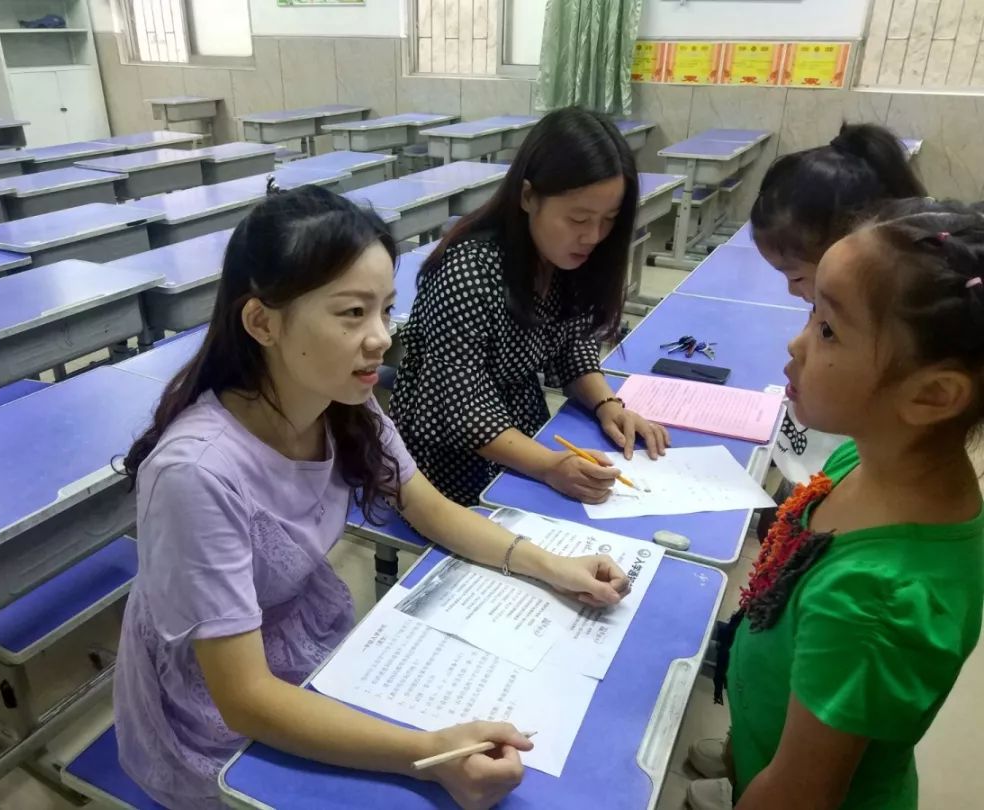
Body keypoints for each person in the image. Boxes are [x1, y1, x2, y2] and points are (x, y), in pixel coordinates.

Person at [113, 185, 632, 810]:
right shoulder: (196, 476)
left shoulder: (341, 403)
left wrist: (554, 566)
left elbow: (428, 506)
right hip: (215, 715)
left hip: (302, 647)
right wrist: (429, 754)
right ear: (262, 323)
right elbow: (244, 699)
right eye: (352, 313)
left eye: (385, 309)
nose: (382, 338)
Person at [687, 198, 984, 810]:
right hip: (773, 736)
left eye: (827, 330)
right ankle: (746, 759)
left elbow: (801, 795)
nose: (795, 345)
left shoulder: (875, 603)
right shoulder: (868, 456)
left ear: (932, 394)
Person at [390, 106, 669, 508]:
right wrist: (549, 467)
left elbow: (573, 345)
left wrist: (609, 405)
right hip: (445, 457)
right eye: (578, 218)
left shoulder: (564, 259)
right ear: (527, 196)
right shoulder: (467, 274)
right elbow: (461, 408)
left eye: (608, 219)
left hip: (521, 430)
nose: (593, 236)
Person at [749, 122, 928, 490]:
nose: (796, 345)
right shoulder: (855, 311)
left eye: (796, 277)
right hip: (811, 470)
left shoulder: (890, 344)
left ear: (847, 253)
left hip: (832, 476)